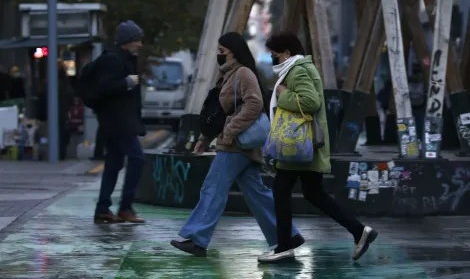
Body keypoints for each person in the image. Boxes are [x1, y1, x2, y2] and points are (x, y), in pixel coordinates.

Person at [171, 32, 303, 257]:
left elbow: (254, 104)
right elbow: (221, 113)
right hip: (239, 144)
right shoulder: (228, 75)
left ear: (234, 52)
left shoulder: (243, 73)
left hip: (236, 144)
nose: (219, 55)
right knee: (257, 193)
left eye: (222, 51)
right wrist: (205, 139)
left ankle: (197, 238)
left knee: (212, 188)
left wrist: (230, 132)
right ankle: (287, 235)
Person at [258, 32, 378, 263]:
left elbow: (311, 102)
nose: (273, 57)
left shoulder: (298, 70)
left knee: (282, 190)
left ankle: (285, 246)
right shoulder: (294, 68)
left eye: (275, 53)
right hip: (303, 146)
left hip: (299, 144)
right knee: (313, 193)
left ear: (286, 53)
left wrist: (284, 95)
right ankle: (359, 231)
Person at [93, 20, 146, 224]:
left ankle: (103, 208)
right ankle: (125, 207)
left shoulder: (126, 58)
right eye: (136, 40)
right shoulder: (113, 60)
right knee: (137, 158)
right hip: (117, 122)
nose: (140, 44)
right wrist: (126, 83)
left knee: (113, 164)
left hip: (119, 121)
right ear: (126, 41)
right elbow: (104, 87)